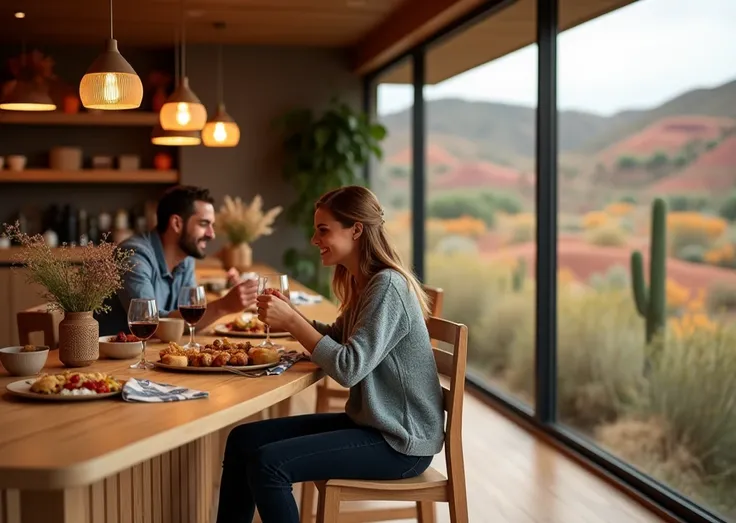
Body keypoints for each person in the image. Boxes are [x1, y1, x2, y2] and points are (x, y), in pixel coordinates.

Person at [216, 185, 445, 523]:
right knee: (243, 440)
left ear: (356, 229)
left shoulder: (387, 286)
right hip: (371, 425)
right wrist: (293, 314)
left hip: (399, 442)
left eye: (323, 230)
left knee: (269, 465)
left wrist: (293, 321)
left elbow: (349, 367)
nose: (314, 239)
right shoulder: (364, 282)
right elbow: (337, 338)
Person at [97, 185, 258, 335]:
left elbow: (189, 320)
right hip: (111, 361)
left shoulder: (185, 257)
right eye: (204, 224)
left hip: (151, 354)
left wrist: (229, 302)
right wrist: (224, 306)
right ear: (177, 223)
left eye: (212, 226)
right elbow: (148, 324)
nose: (211, 234)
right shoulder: (134, 255)